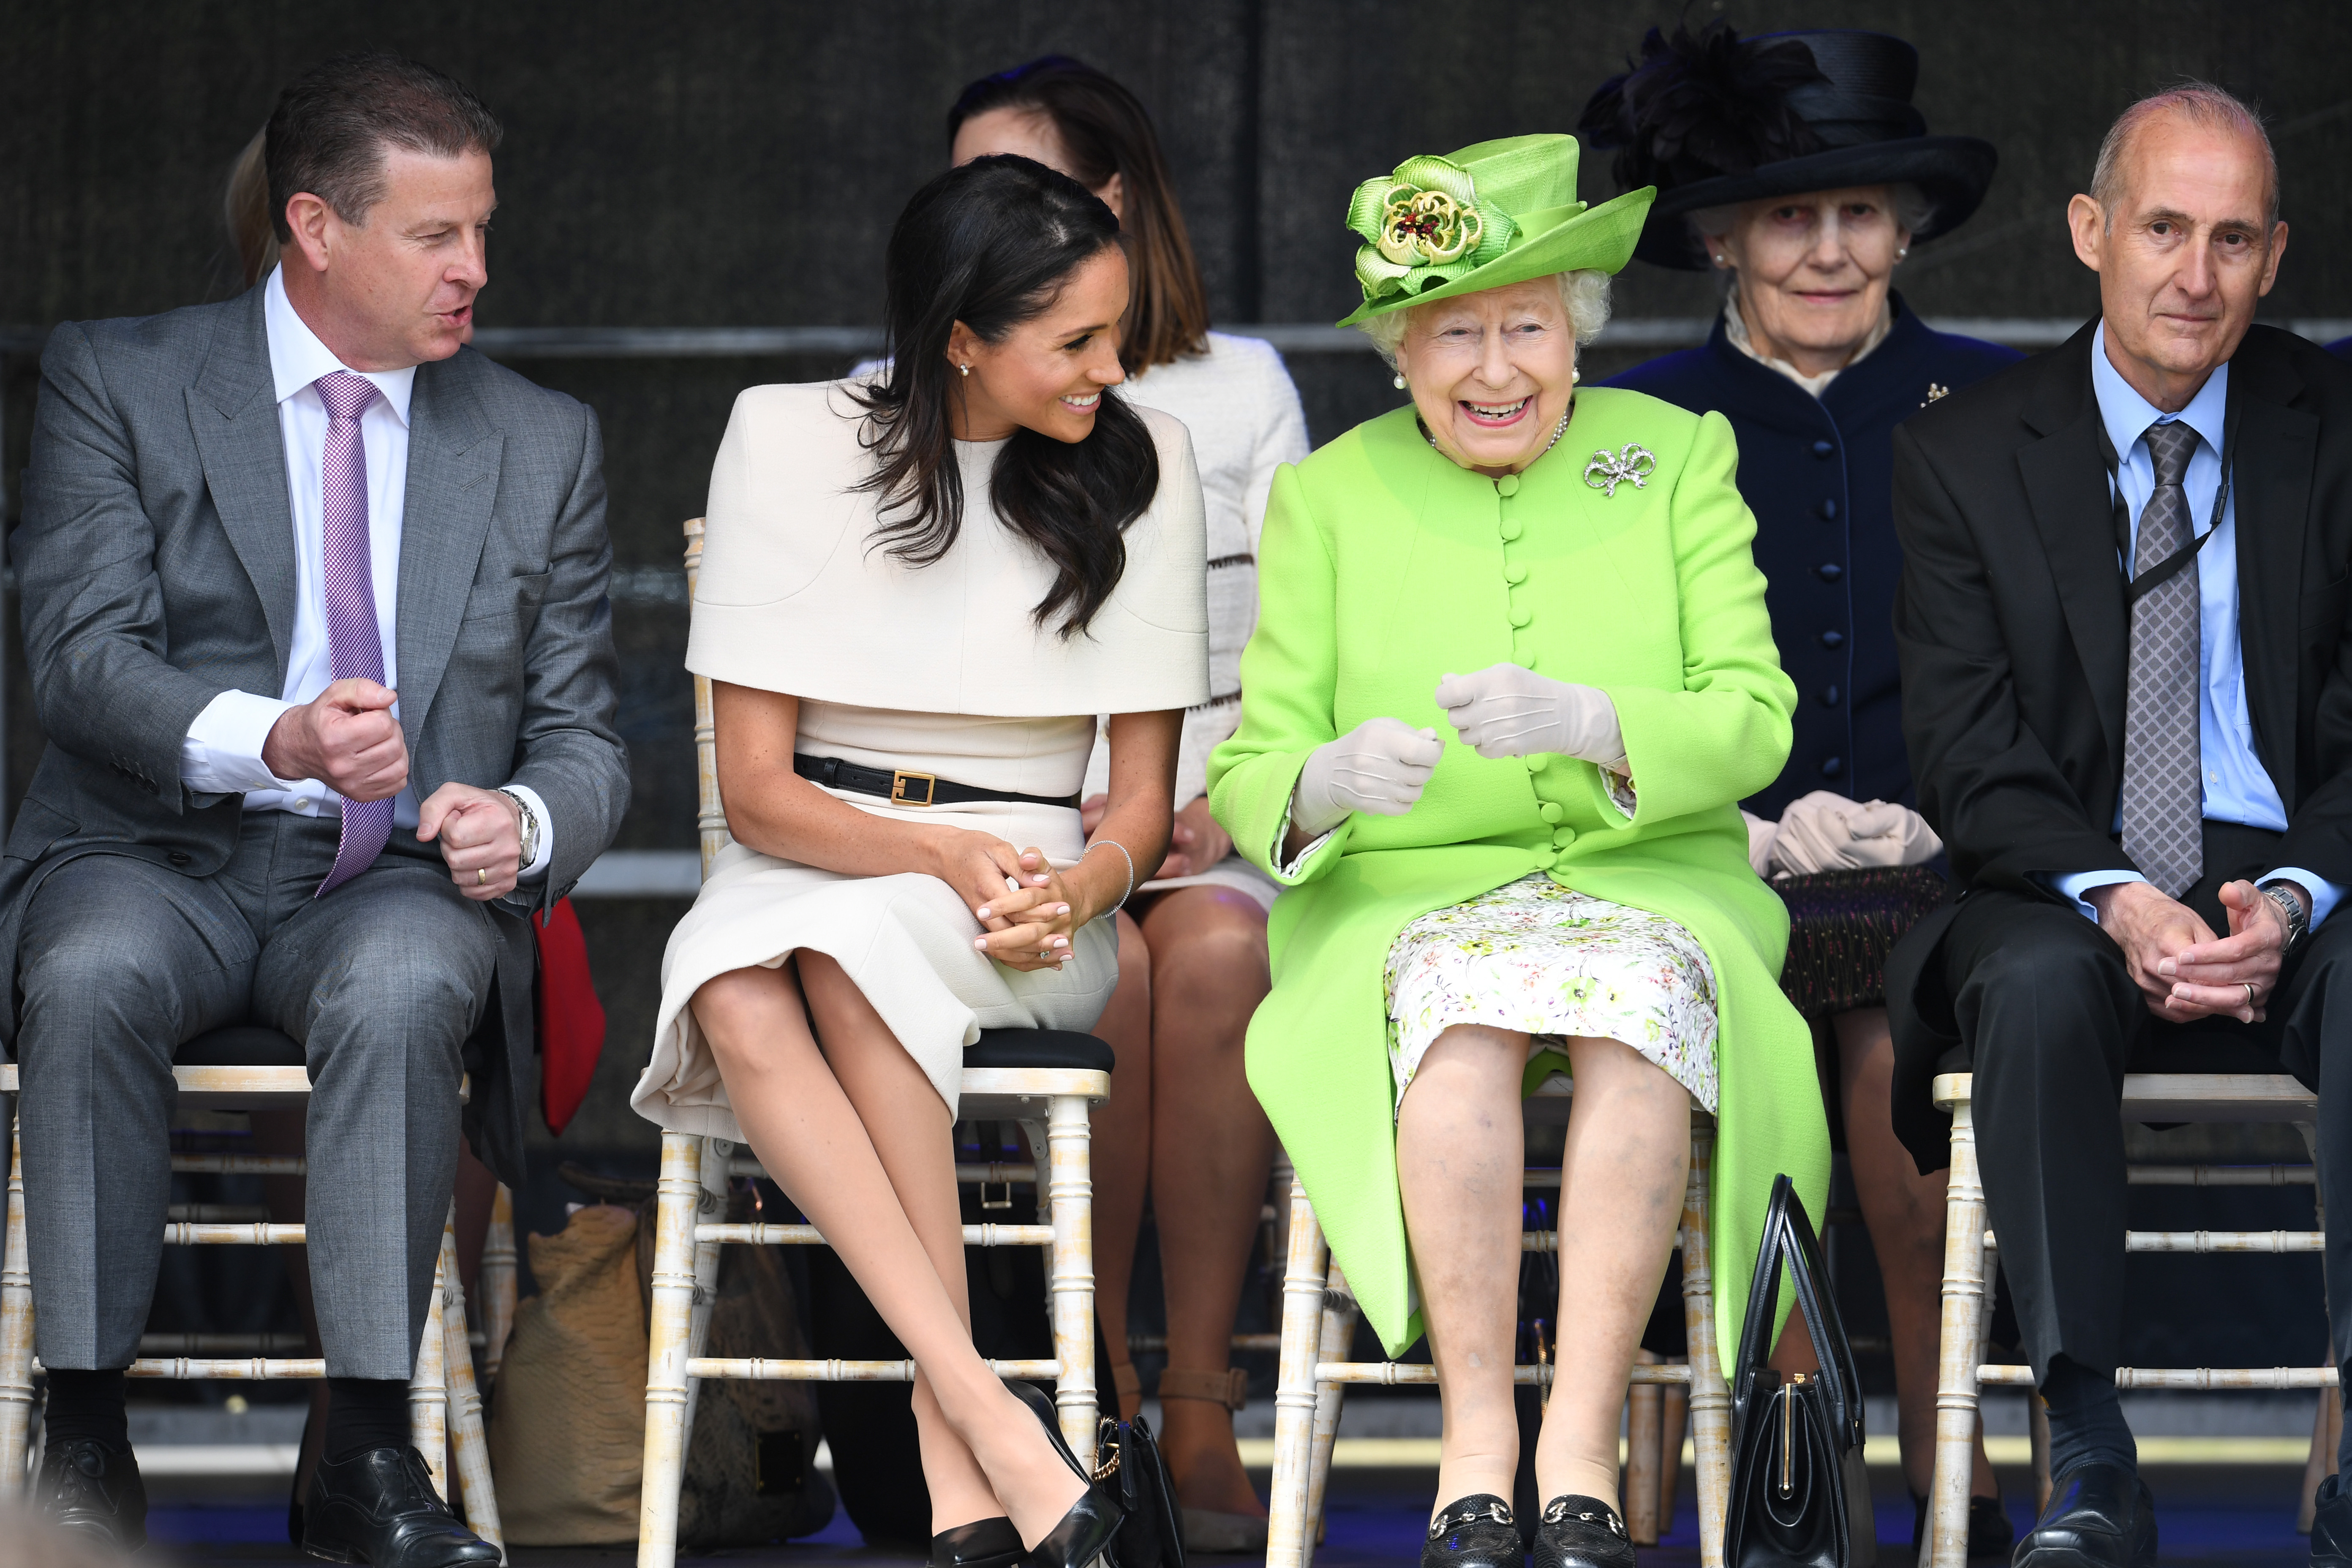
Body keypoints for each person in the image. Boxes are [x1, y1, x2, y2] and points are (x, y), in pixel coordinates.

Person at [7, 49, 629, 1562]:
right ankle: (80, 1433)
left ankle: (365, 1449)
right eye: (437, 235)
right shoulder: (122, 378)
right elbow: (77, 662)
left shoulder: (540, 440)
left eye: (482, 228)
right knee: (85, 972)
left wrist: (528, 825)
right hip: (151, 853)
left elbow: (588, 738)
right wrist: (275, 738)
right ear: (314, 227)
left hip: (391, 879)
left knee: (416, 977)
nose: (475, 268)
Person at [1208, 133, 1828, 1568]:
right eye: (1457, 332)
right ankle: (1477, 1439)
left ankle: (1581, 1447)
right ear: (1399, 355)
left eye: (1527, 326)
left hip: (1648, 880)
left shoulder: (1677, 454)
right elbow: (1251, 769)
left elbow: (1757, 720)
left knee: (1637, 1016)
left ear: (1577, 333)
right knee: (1461, 1030)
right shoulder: (1329, 496)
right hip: (1412, 897)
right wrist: (1323, 780)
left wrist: (1605, 722)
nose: (1496, 367)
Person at [629, 153, 1205, 1568]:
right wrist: (930, 852)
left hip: (1028, 889)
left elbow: (1136, 803)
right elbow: (757, 796)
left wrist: (1081, 888)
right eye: (1073, 341)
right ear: (961, 336)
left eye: (1114, 330)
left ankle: (967, 1460)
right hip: (819, 855)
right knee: (743, 979)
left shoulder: (1148, 461)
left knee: (832, 962)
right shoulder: (783, 439)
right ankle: (989, 1437)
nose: (1110, 367)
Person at [1884, 82, 2352, 1564]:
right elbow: (1968, 753)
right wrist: (2121, 898)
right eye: (2162, 228)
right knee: (2024, 982)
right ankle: (2087, 1451)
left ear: (2276, 259)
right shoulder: (1963, 453)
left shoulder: (2335, 428)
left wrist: (2288, 896)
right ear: (2091, 232)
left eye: (2231, 239)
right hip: (2062, 869)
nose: (2193, 276)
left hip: (2289, 860)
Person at [1579, 22, 2018, 1552]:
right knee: (1751, 1028)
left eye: (1861, 214)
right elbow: (1601, 681)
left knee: (1902, 1058)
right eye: (1790, 214)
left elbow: (2068, 682)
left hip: (1945, 865)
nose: (1830, 250)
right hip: (1711, 860)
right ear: (1720, 234)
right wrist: (1749, 828)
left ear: (1909, 227)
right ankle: (1790, 1451)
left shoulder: (2012, 405)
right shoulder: (1626, 429)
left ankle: (1941, 1456)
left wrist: (1948, 818)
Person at [945, 55, 1309, 1547]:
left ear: (1110, 197)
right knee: (1128, 972)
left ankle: (1205, 1396)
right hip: (1009, 826)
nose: (982, 216)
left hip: (1211, 807)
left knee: (1214, 950)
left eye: (1017, 186)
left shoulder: (1237, 388)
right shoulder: (924, 387)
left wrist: (1222, 793)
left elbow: (1305, 636)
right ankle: (1094, 1404)